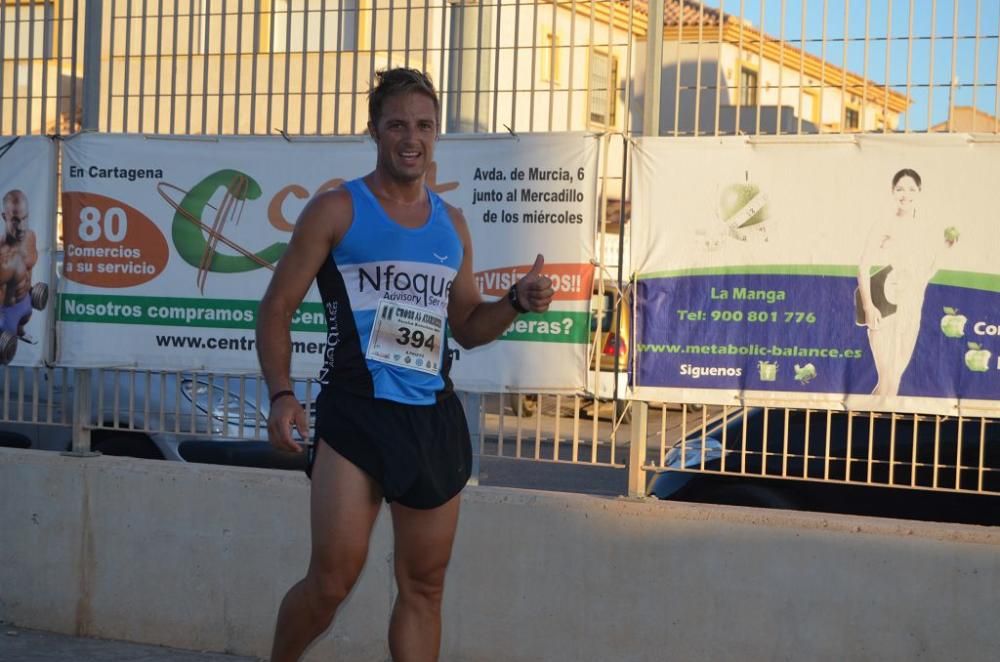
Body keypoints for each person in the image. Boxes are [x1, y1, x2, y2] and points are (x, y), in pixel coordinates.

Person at [255, 67, 554, 662]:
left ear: (436, 134)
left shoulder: (453, 226)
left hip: (431, 421)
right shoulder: (337, 210)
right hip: (355, 417)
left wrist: (516, 302)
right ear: (374, 131)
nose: (411, 137)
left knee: (424, 588)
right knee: (332, 582)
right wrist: (283, 394)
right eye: (397, 124)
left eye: (423, 125)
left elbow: (467, 327)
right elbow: (276, 308)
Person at [856, 168, 955, 397]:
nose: (905, 194)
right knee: (888, 380)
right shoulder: (883, 224)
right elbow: (863, 267)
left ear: (919, 192)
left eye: (911, 189)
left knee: (892, 382)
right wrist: (868, 306)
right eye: (900, 188)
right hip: (884, 305)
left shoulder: (925, 228)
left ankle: (865, 423)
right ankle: (869, 426)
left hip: (911, 308)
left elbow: (925, 274)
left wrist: (945, 249)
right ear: (892, 191)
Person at [0, 189, 39, 342]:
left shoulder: (30, 237)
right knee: (5, 355)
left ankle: (20, 330)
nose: (21, 226)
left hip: (25, 303)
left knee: (24, 319)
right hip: (7, 311)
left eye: (25, 218)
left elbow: (29, 270)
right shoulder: (3, 256)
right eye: (16, 220)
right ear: (5, 217)